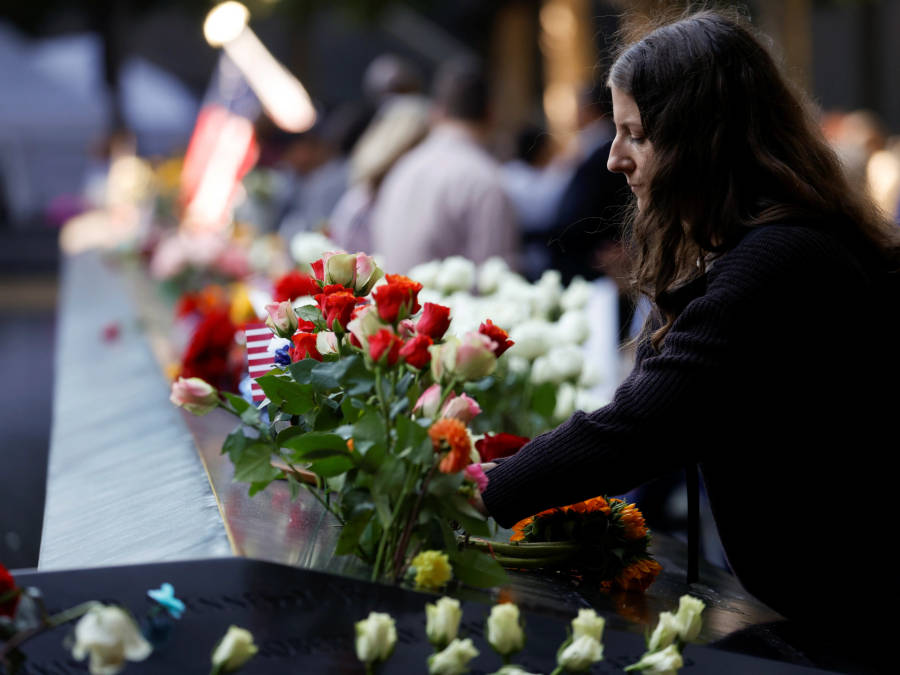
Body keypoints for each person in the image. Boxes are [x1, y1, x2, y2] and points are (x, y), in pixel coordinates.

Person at [476, 10, 900, 633]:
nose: (615, 159)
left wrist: (472, 491)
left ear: (706, 142)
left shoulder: (776, 261)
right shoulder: (768, 245)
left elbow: (641, 425)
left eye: (637, 135)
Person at [370, 56, 519, 273]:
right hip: (450, 306)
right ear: (491, 113)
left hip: (394, 304)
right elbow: (496, 278)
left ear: (437, 112)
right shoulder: (485, 179)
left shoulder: (403, 168)